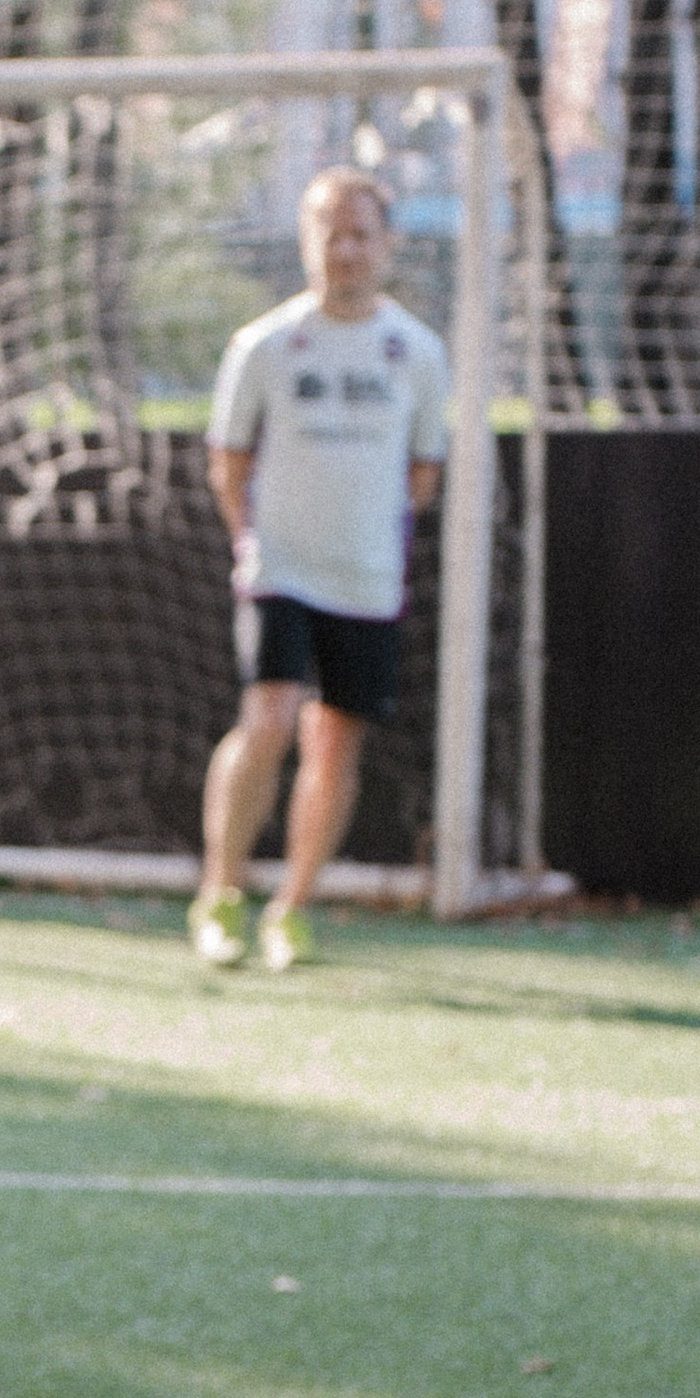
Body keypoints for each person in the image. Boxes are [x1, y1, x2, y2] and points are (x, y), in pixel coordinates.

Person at [187, 165, 448, 973]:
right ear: (306, 241)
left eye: (360, 234)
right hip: (281, 571)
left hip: (366, 578)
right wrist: (252, 543)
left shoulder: (417, 351)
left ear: (387, 243)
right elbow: (229, 463)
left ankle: (292, 909)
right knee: (268, 718)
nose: (346, 250)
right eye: (330, 233)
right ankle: (220, 895)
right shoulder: (263, 346)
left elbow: (423, 472)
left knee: (335, 743)